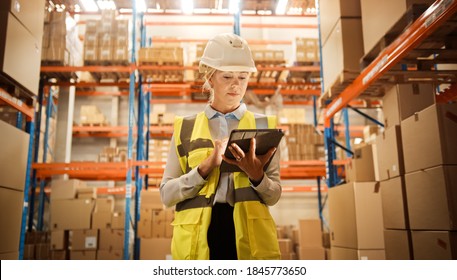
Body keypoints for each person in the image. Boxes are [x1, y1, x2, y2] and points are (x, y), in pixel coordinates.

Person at [160, 33, 282, 260]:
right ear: (210, 76)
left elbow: (274, 196)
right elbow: (166, 195)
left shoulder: (265, 125)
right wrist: (203, 169)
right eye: (227, 76)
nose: (236, 85)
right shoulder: (185, 128)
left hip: (249, 240)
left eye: (243, 77)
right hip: (199, 241)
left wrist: (257, 177)